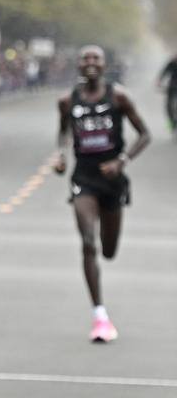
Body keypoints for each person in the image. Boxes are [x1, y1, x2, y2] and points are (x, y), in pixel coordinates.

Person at [54, 45, 150, 342]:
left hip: (113, 181)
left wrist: (122, 161)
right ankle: (100, 315)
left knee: (108, 250)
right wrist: (61, 155)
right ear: (79, 65)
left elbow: (145, 134)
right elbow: (63, 132)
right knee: (88, 242)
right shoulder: (67, 101)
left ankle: (101, 305)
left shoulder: (118, 97)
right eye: (85, 58)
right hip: (84, 179)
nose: (91, 63)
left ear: (104, 65)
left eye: (96, 58)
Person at [157, 54, 177, 133]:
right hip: (172, 87)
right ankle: (172, 123)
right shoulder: (172, 63)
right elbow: (164, 72)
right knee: (169, 107)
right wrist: (159, 81)